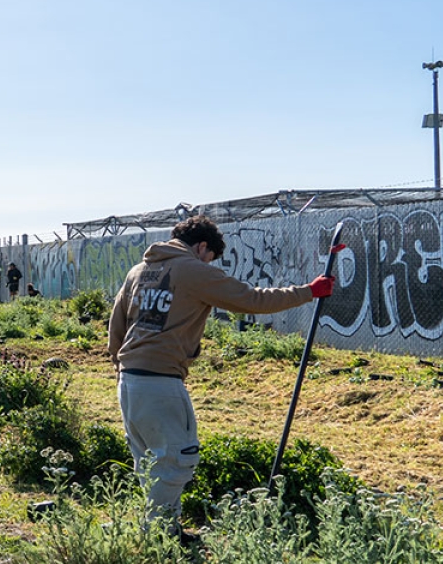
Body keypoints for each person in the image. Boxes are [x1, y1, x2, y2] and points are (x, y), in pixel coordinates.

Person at [108, 215, 335, 542]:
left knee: (151, 461)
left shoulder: (139, 271)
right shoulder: (192, 270)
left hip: (129, 380)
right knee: (176, 460)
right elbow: (251, 300)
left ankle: (167, 531)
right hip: (161, 379)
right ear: (202, 247)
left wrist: (120, 368)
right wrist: (308, 292)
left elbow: (117, 324)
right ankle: (155, 538)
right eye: (210, 257)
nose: (209, 262)